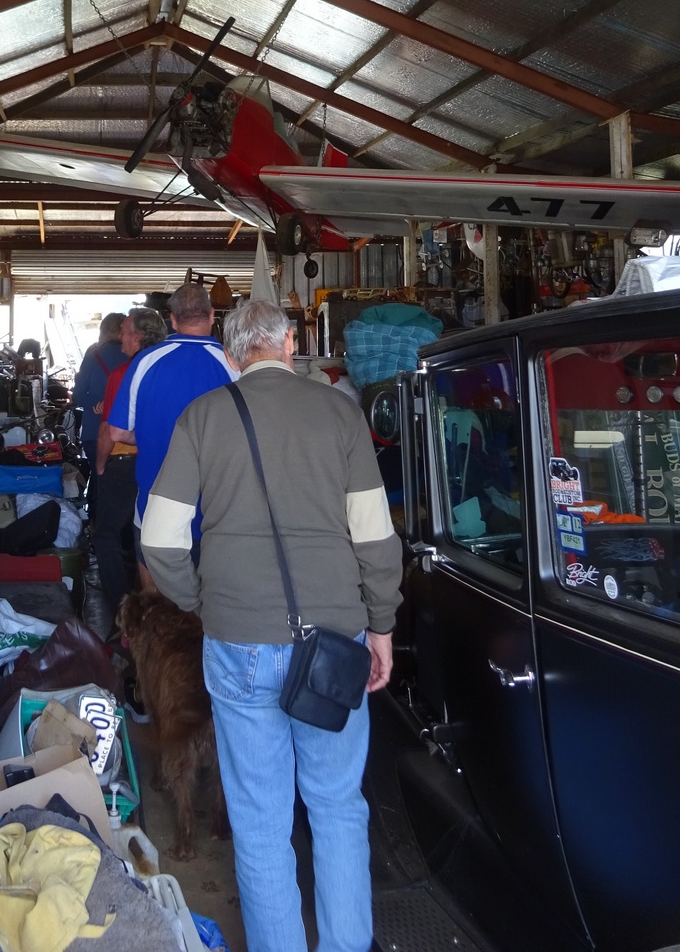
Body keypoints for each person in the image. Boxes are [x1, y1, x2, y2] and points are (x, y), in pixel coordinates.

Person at [141, 300, 402, 952]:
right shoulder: (340, 413)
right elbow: (376, 539)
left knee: (261, 826)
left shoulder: (203, 416)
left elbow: (160, 540)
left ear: (233, 357)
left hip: (238, 640)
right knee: (337, 808)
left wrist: (202, 601)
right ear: (289, 343)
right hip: (334, 640)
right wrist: (381, 625)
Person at [107, 282, 237, 569]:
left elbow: (117, 431)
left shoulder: (145, 361)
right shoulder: (233, 363)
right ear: (211, 315)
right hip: (217, 510)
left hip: (156, 504)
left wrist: (151, 435)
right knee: (212, 592)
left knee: (156, 595)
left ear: (173, 320)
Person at [91, 305, 166, 620]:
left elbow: (109, 431)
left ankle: (124, 614)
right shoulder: (165, 370)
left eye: (124, 331)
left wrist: (99, 467)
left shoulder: (123, 374)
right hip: (160, 462)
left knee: (105, 536)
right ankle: (155, 607)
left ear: (137, 336)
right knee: (146, 535)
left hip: (122, 463)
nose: (120, 336)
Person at [71, 312, 126, 476]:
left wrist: (95, 405)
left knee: (98, 479)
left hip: (94, 430)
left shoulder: (93, 356)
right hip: (126, 432)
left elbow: (78, 395)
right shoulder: (133, 356)